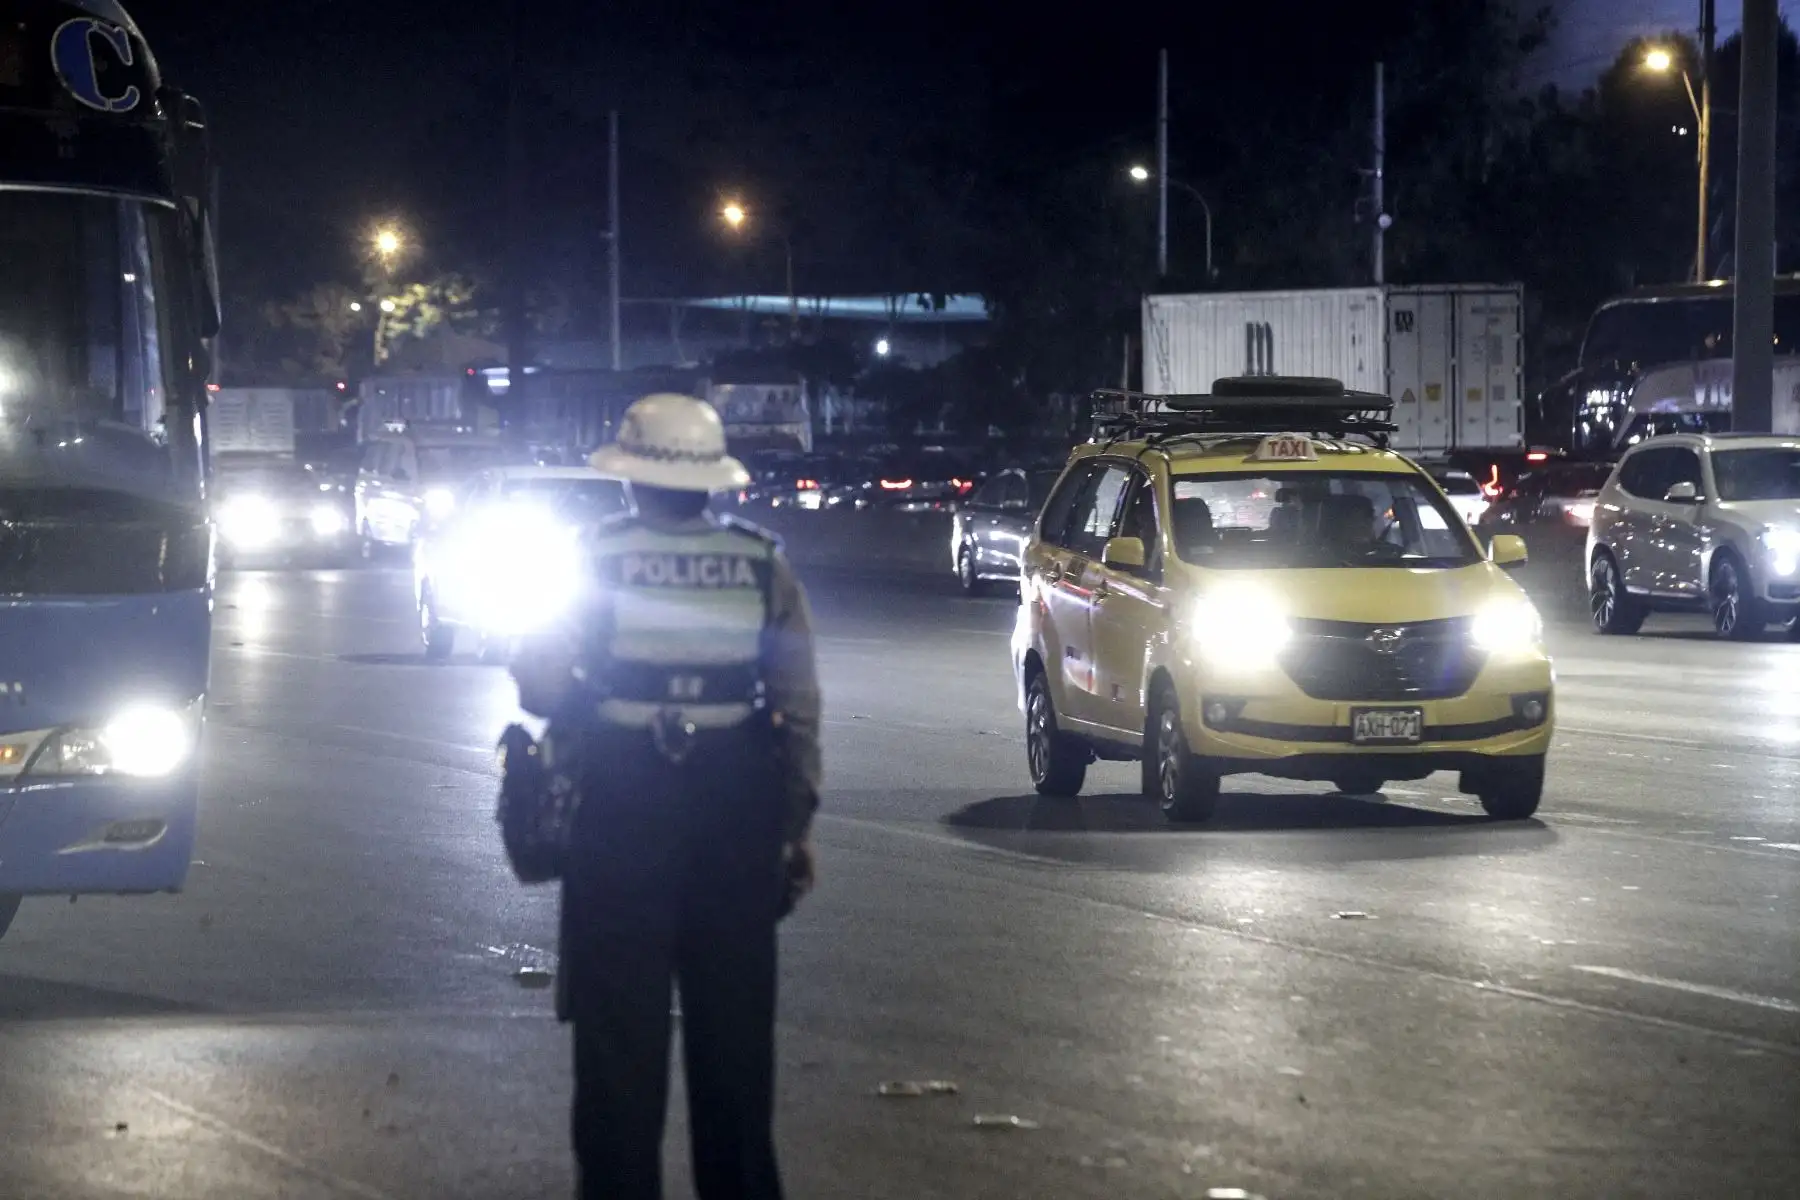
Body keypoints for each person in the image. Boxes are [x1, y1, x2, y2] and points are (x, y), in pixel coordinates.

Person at [507, 393, 822, 1200]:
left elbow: (540, 686)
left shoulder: (594, 557)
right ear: (712, 484)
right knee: (735, 1047)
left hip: (621, 812)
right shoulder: (761, 562)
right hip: (735, 815)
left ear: (630, 481)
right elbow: (797, 709)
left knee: (619, 1051)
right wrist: (790, 831)